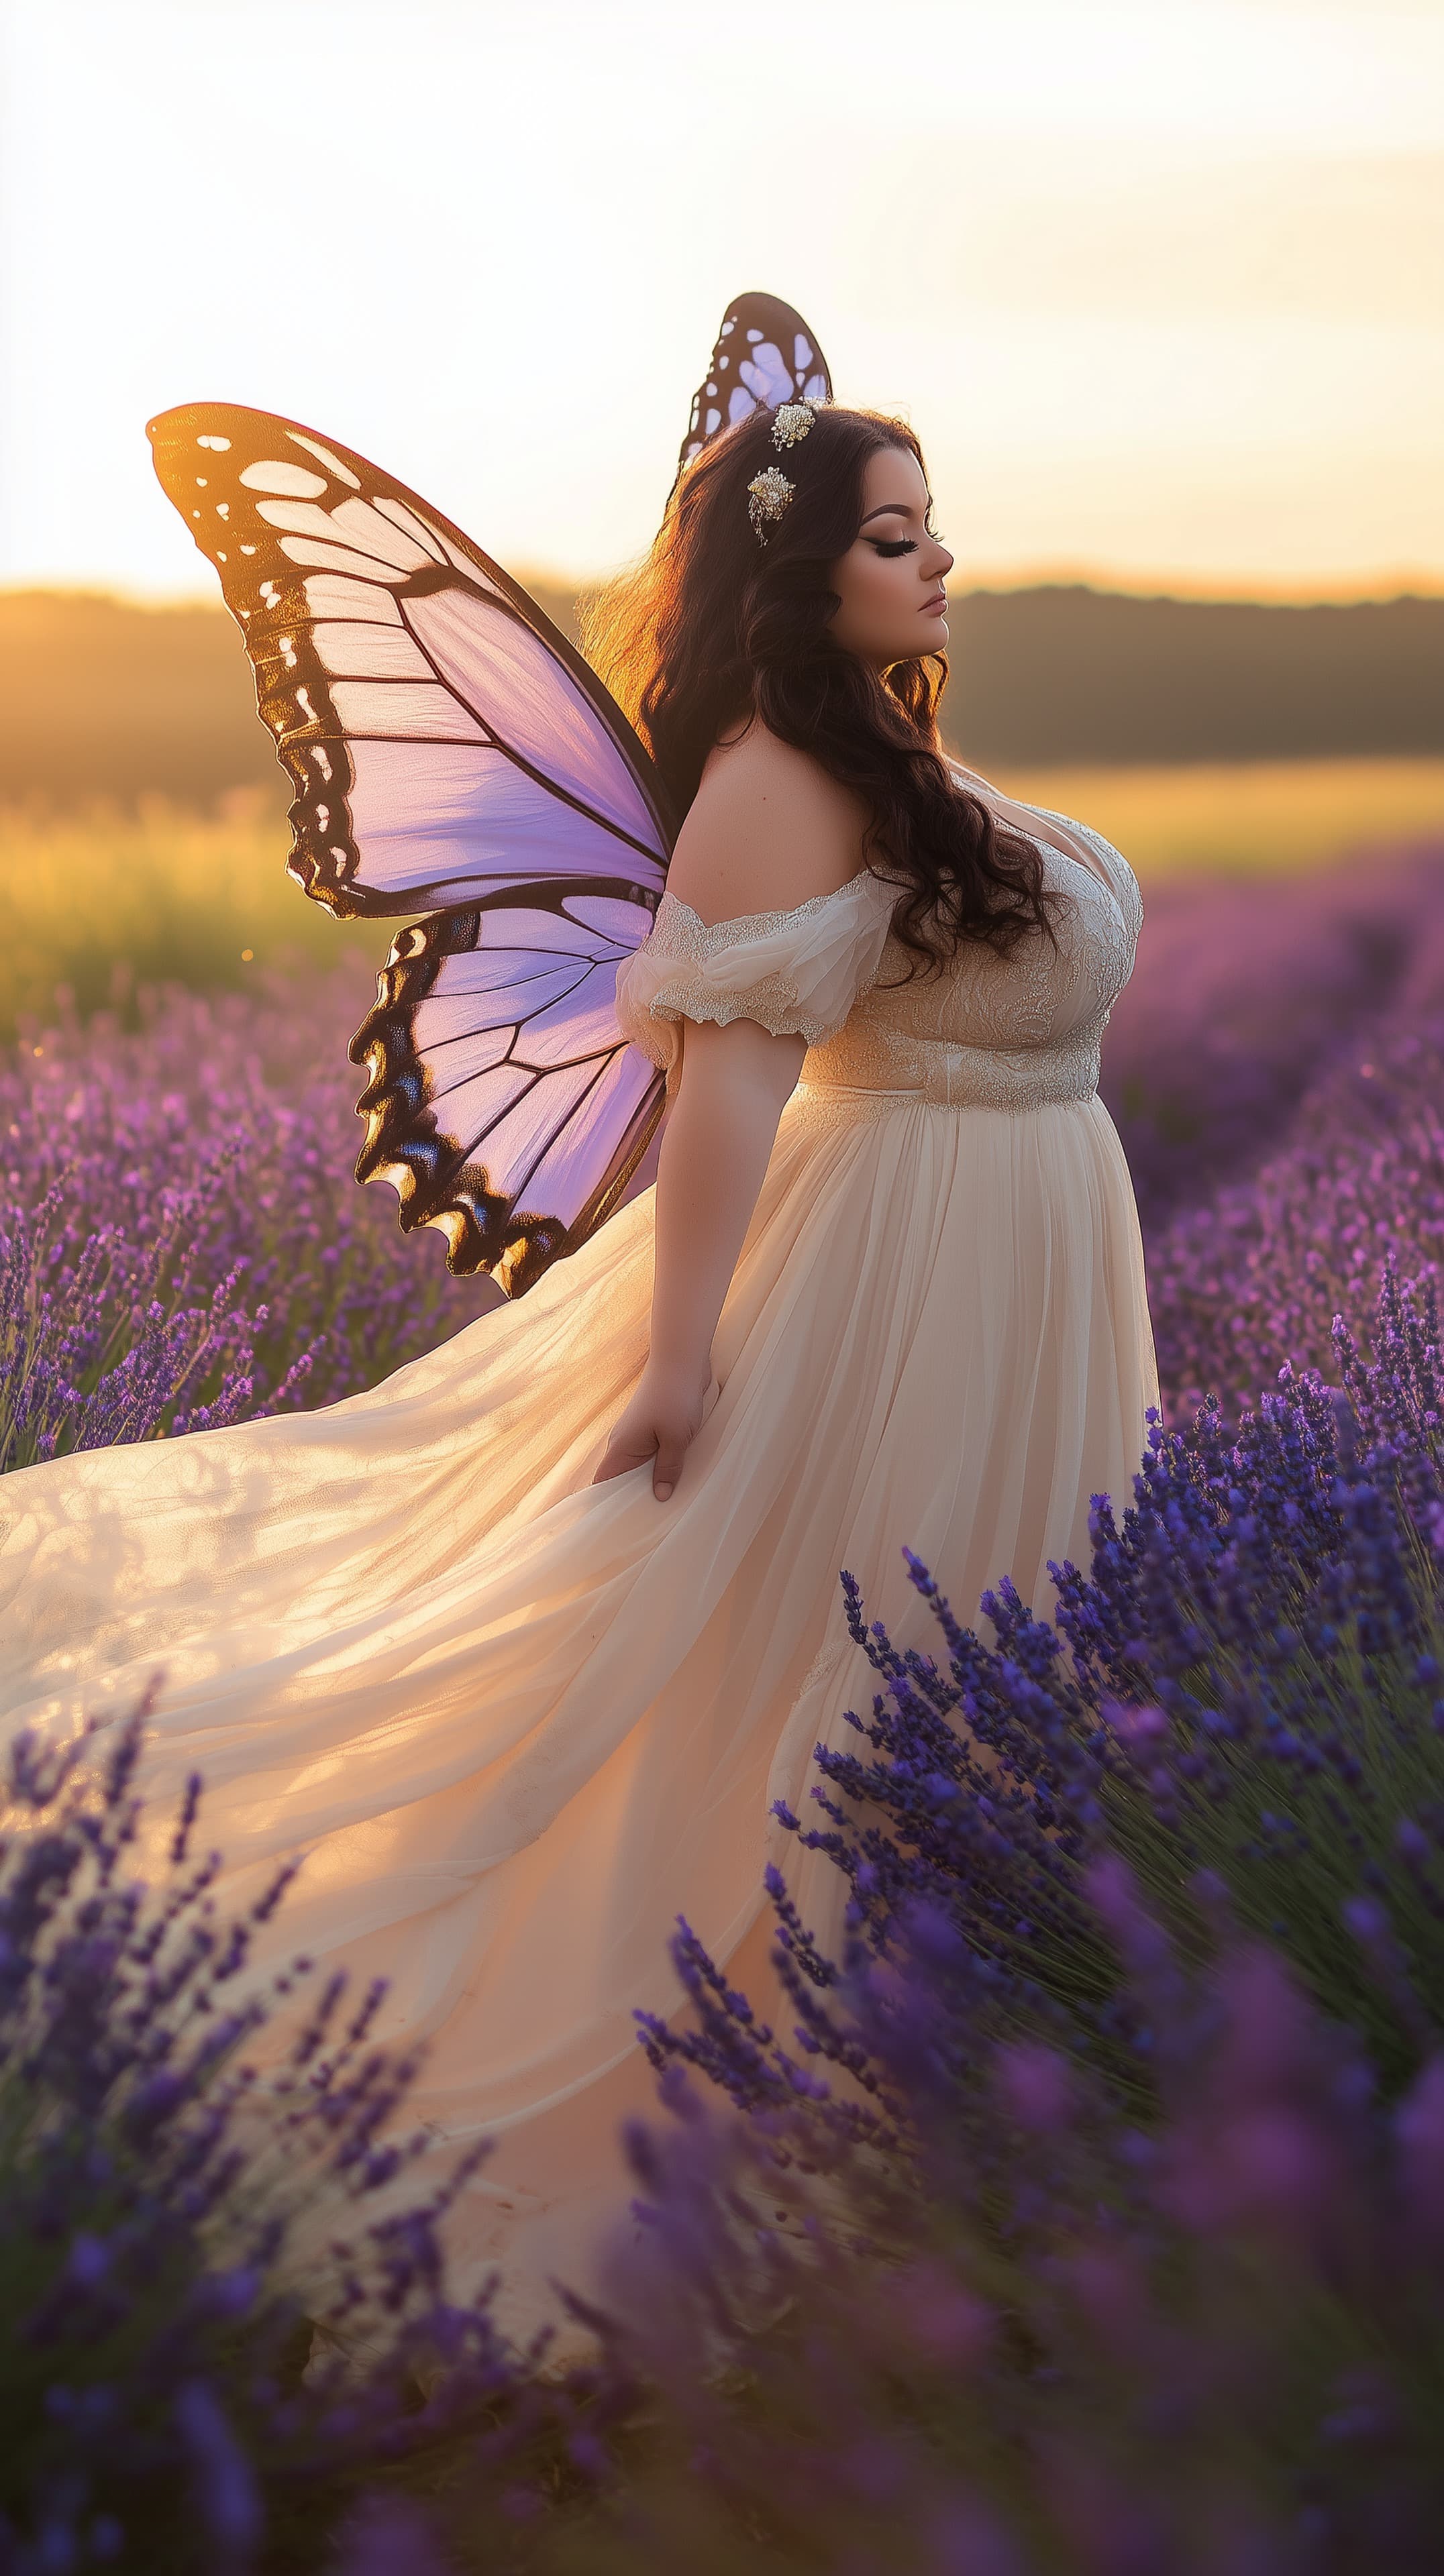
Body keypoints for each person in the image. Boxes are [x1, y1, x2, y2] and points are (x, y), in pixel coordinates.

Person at [0, 382, 1157, 2346]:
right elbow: (727, 1090)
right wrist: (684, 1349)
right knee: (821, 1660)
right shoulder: (784, 772)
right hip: (896, 1271)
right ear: (805, 579)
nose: (940, 555)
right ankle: (802, 2132)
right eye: (895, 534)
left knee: (982, 1646)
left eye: (933, 522)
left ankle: (977, 2091)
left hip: (1025, 1249)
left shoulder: (889, 759)